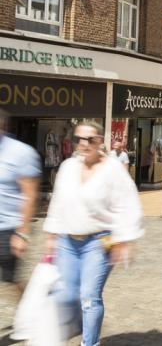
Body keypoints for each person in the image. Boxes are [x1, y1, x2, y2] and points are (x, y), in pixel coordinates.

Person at [44, 120, 143, 346]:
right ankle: (78, 325)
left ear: (100, 141)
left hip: (98, 242)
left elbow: (128, 204)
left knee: (89, 297)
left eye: (91, 139)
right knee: (66, 296)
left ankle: (90, 342)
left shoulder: (113, 169)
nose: (84, 144)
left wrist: (123, 239)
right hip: (68, 242)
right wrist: (51, 235)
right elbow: (58, 202)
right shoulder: (68, 168)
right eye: (79, 139)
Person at [0, 110, 41, 303]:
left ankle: (30, 309)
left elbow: (30, 195)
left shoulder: (21, 152)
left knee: (12, 280)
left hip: (8, 229)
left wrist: (22, 233)